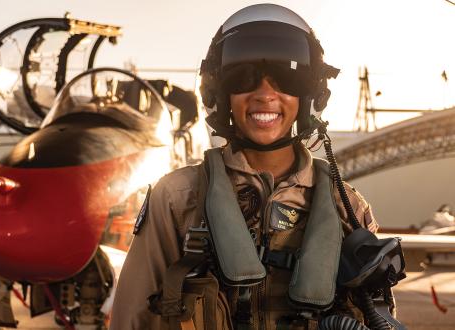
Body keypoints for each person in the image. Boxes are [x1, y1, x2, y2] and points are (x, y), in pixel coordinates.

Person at [111, 4, 400, 330]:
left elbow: (379, 317)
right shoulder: (178, 198)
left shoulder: (348, 208)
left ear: (311, 94)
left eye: (287, 77)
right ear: (220, 93)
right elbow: (131, 318)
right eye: (243, 77)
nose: (265, 94)